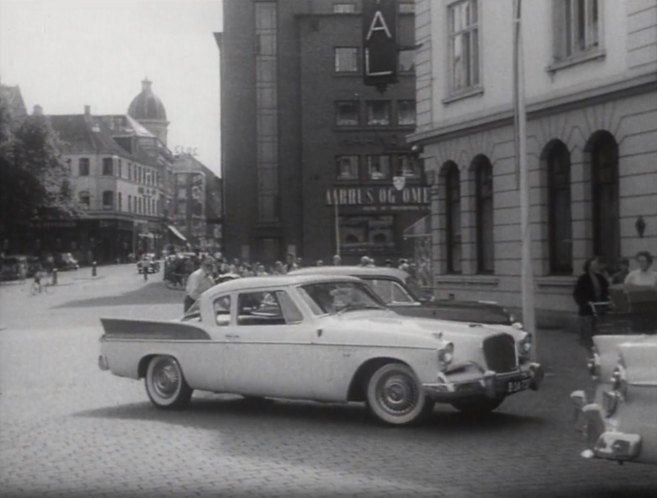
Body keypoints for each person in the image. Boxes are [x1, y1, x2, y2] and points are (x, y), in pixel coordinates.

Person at [573, 256, 610, 349]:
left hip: (599, 308)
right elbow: (578, 293)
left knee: (599, 330)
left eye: (596, 264)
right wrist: (585, 302)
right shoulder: (583, 278)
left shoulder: (600, 277)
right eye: (594, 264)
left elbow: (606, 290)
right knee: (588, 331)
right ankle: (588, 348)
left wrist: (607, 301)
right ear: (589, 266)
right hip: (587, 310)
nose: (596, 266)